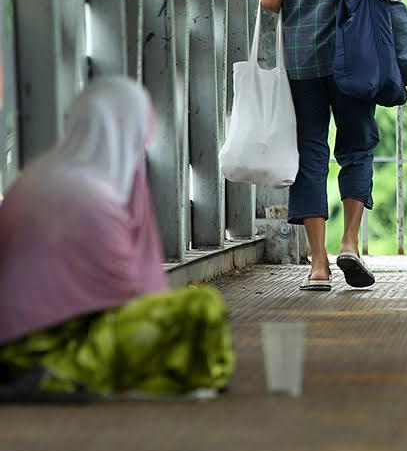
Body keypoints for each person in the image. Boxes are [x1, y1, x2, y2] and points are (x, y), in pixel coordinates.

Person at [0, 77, 235, 399]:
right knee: (202, 306)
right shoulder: (94, 196)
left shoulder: (36, 175)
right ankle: (60, 372)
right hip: (49, 344)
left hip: (10, 337)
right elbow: (122, 295)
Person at [258, 0, 405, 292]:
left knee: (310, 153)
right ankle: (351, 244)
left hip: (303, 60)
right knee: (357, 149)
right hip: (355, 62)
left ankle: (318, 265)